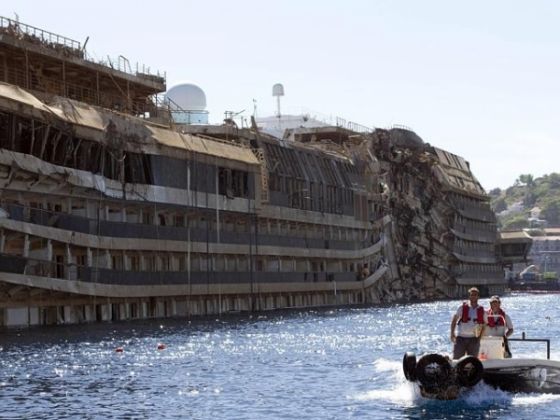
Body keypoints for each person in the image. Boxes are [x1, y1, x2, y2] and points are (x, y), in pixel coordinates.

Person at [450, 287, 487, 359]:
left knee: (473, 361)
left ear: (478, 297)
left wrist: (479, 338)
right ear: (469, 296)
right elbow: (454, 320)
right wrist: (452, 333)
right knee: (457, 359)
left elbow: (484, 325)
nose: (473, 296)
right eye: (472, 295)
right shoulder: (462, 308)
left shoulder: (482, 310)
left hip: (474, 339)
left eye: (475, 295)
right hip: (461, 338)